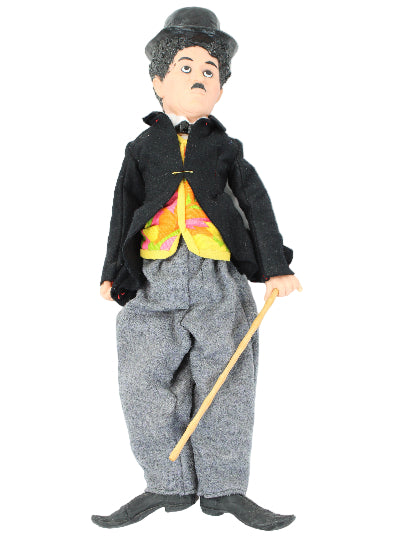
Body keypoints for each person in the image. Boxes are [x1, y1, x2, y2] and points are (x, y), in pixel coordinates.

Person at [92, 7, 302, 532]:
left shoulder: (225, 149)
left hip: (217, 277)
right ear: (158, 82)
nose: (199, 77)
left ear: (221, 89)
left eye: (210, 71)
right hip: (152, 276)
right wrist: (112, 271)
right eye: (185, 68)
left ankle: (224, 488)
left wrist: (275, 267)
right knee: (143, 380)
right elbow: (123, 207)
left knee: (226, 380)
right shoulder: (141, 149)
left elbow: (256, 206)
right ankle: (167, 484)